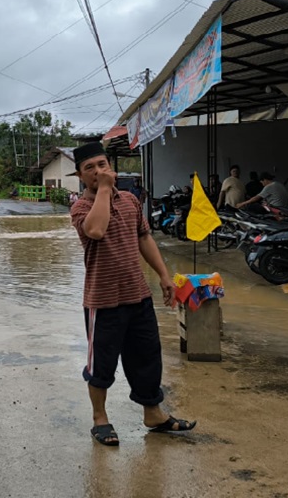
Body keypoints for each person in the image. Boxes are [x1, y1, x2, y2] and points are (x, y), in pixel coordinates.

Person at [68, 142, 195, 447]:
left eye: (102, 164)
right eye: (90, 168)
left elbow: (144, 237)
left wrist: (165, 276)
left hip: (138, 295)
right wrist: (102, 192)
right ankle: (100, 419)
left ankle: (153, 413)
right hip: (103, 300)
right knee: (101, 365)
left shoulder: (130, 201)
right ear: (80, 176)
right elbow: (96, 230)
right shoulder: (81, 208)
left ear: (110, 165)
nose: (98, 171)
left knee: (147, 358)